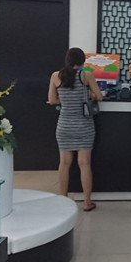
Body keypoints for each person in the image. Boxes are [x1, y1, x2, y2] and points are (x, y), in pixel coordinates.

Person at [47, 47, 103, 212]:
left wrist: (65, 100)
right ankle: (87, 202)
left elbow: (52, 100)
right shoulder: (86, 76)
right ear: (83, 60)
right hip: (84, 125)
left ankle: (63, 200)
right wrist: (89, 95)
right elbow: (99, 96)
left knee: (64, 163)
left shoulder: (56, 76)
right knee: (84, 163)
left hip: (64, 125)